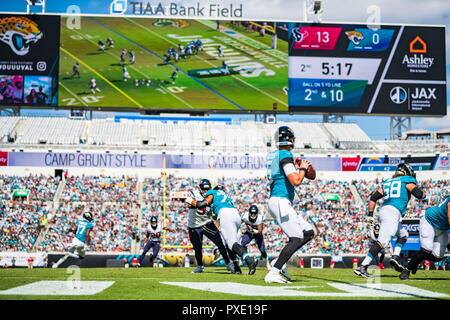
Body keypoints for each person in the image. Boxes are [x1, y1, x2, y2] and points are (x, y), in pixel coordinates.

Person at [355, 163, 426, 278]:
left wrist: (370, 215)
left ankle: (395, 257)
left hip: (386, 211)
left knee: (403, 234)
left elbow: (373, 198)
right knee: (383, 242)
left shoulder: (387, 182)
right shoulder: (407, 180)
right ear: (407, 172)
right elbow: (418, 194)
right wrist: (423, 194)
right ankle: (362, 266)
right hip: (392, 213)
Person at [264, 126, 316, 283]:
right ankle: (274, 272)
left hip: (279, 200)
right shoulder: (285, 154)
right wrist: (301, 169)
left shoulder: (274, 155)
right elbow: (296, 181)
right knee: (296, 237)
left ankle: (279, 263)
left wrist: (304, 168)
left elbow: (311, 176)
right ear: (291, 140)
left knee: (308, 232)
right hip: (280, 200)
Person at [185, 183, 257, 275]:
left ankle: (249, 260)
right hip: (236, 215)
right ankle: (237, 267)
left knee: (231, 244)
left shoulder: (212, 193)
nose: (206, 192)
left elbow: (201, 204)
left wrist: (190, 200)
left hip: (225, 215)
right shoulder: (226, 197)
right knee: (230, 243)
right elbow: (214, 215)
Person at [186, 180, 235, 274]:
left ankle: (229, 264)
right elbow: (189, 204)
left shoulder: (212, 196)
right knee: (197, 248)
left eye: (207, 189)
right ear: (200, 188)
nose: (205, 191)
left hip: (207, 223)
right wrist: (199, 204)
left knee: (220, 243)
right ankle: (200, 266)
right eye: (203, 189)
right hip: (194, 225)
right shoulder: (194, 193)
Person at [399, 195, 449, 280]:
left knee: (438, 256)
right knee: (426, 249)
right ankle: (406, 270)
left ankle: (417, 260)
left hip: (442, 228)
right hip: (429, 221)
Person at [241, 205, 270, 269]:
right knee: (241, 244)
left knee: (262, 250)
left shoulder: (259, 218)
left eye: (254, 213)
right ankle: (244, 257)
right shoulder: (245, 216)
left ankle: (267, 262)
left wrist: (253, 230)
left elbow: (260, 231)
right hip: (249, 233)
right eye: (252, 213)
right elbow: (240, 222)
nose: (253, 214)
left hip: (257, 234)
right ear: (249, 212)